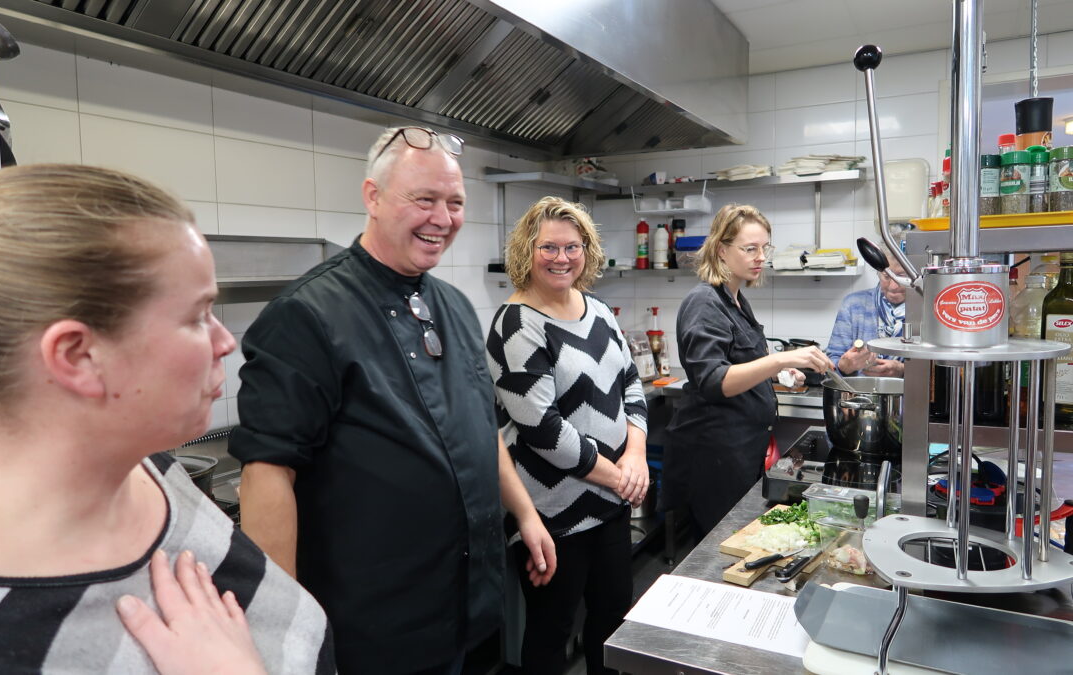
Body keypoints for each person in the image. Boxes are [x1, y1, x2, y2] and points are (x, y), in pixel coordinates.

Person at [229, 126, 555, 675]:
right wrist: (283, 628)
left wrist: (525, 513)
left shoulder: (453, 304)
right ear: (373, 197)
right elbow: (267, 473)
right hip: (376, 628)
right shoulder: (307, 315)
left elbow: (479, 428)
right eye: (423, 199)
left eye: (454, 203)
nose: (442, 218)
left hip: (469, 607)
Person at [0, 164, 333, 673]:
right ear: (78, 355)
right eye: (198, 316)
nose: (226, 341)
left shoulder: (155, 470)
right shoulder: (16, 640)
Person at [487, 196, 648, 675]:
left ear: (587, 250)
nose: (562, 258)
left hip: (611, 503)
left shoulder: (597, 309)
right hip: (552, 514)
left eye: (572, 247)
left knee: (613, 623)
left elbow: (631, 383)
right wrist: (618, 476)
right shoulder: (515, 324)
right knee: (550, 631)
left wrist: (636, 454)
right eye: (548, 248)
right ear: (526, 252)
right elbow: (544, 430)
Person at [663, 204, 835, 539]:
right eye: (750, 248)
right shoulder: (704, 302)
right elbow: (714, 381)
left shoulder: (736, 299)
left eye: (764, 248)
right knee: (716, 549)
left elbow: (738, 363)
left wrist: (777, 376)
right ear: (721, 250)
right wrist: (781, 360)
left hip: (741, 450)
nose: (760, 257)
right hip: (712, 455)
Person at [826, 253, 907, 377]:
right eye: (886, 276)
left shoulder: (930, 310)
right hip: (860, 395)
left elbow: (937, 372)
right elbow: (829, 368)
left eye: (901, 277)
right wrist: (844, 366)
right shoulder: (853, 305)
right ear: (878, 273)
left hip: (910, 396)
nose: (893, 286)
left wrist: (902, 370)